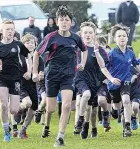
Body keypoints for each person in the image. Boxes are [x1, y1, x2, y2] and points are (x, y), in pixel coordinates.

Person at [32, 6, 88, 147]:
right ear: (57, 22)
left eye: (67, 20)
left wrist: (82, 63)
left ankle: (60, 137)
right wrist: (34, 71)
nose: (64, 22)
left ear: (71, 23)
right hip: (52, 75)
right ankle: (46, 126)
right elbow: (36, 53)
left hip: (68, 75)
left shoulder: (76, 38)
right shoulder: (51, 37)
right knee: (50, 109)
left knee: (67, 105)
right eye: (61, 20)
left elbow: (84, 49)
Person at [0, 20, 27, 142]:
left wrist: (30, 70)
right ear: (2, 31)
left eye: (12, 29)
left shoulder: (18, 45)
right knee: (3, 104)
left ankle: (17, 114)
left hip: (16, 78)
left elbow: (30, 56)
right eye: (7, 29)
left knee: (14, 110)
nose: (10, 31)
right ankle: (6, 132)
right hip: (2, 78)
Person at [18, 34, 43, 139]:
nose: (30, 44)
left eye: (32, 42)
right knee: (28, 103)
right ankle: (18, 109)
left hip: (33, 87)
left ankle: (23, 130)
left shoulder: (39, 58)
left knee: (33, 109)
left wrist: (39, 75)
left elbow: (41, 71)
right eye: (27, 42)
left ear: (35, 44)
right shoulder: (20, 57)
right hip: (21, 85)